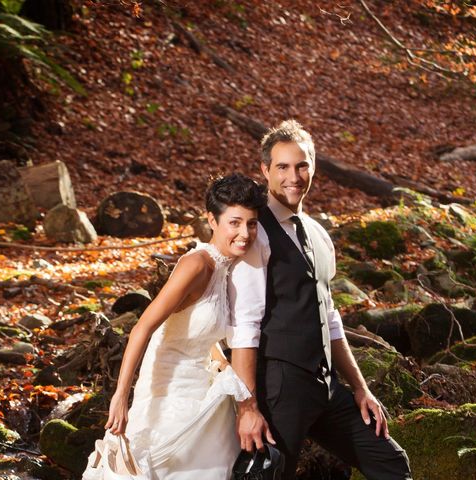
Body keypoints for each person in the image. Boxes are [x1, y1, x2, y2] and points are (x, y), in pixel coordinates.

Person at [228, 120, 412, 480]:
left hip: (326, 387)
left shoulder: (316, 232)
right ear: (265, 170)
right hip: (279, 388)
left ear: (314, 167)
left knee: (390, 463)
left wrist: (360, 388)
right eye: (282, 167)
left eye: (301, 165)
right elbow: (244, 327)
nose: (293, 176)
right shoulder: (255, 232)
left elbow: (329, 316)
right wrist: (247, 407)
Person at [83, 173, 267, 480]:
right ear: (212, 220)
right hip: (167, 392)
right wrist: (120, 396)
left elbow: (200, 330)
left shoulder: (228, 268)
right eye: (235, 222)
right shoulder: (195, 265)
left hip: (204, 391)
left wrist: (223, 366)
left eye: (251, 223)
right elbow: (143, 327)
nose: (245, 233)